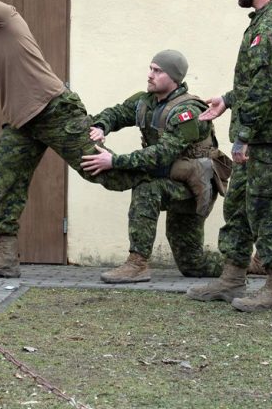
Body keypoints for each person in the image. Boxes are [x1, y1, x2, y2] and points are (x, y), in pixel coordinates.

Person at [0, 0, 148, 279]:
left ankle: (149, 228)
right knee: (2, 183)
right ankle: (5, 258)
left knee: (106, 173)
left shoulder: (3, 18)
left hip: (55, 110)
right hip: (20, 123)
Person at [186, 0, 272, 312]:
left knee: (269, 211)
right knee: (238, 206)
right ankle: (232, 278)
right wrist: (227, 99)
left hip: (269, 140)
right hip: (258, 133)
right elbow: (261, 80)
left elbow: (266, 87)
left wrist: (245, 135)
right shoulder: (267, 21)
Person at [80, 50, 224, 283]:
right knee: (193, 264)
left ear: (174, 78)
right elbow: (117, 113)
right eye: (150, 69)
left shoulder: (188, 112)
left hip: (193, 185)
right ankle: (245, 263)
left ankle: (137, 264)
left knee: (148, 188)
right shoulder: (146, 101)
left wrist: (114, 161)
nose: (150, 75)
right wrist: (101, 126)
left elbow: (162, 155)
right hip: (169, 178)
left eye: (158, 71)